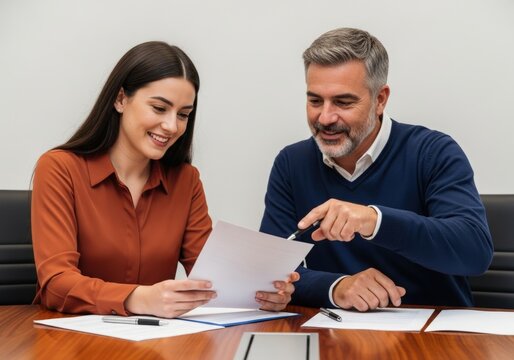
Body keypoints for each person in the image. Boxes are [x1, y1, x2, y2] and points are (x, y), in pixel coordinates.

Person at [32, 41, 297, 318]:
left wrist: (263, 294)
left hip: (157, 343)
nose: (172, 126)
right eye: (159, 108)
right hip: (71, 344)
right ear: (121, 99)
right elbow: (56, 284)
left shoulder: (186, 180)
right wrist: (138, 298)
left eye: (183, 114)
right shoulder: (60, 168)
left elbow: (212, 278)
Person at [260, 28, 493, 311]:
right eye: (315, 100)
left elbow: (474, 251)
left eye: (344, 102)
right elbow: (270, 273)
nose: (325, 117)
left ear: (380, 99)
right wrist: (336, 287)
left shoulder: (433, 152)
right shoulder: (291, 162)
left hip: (433, 336)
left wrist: (374, 221)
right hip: (336, 336)